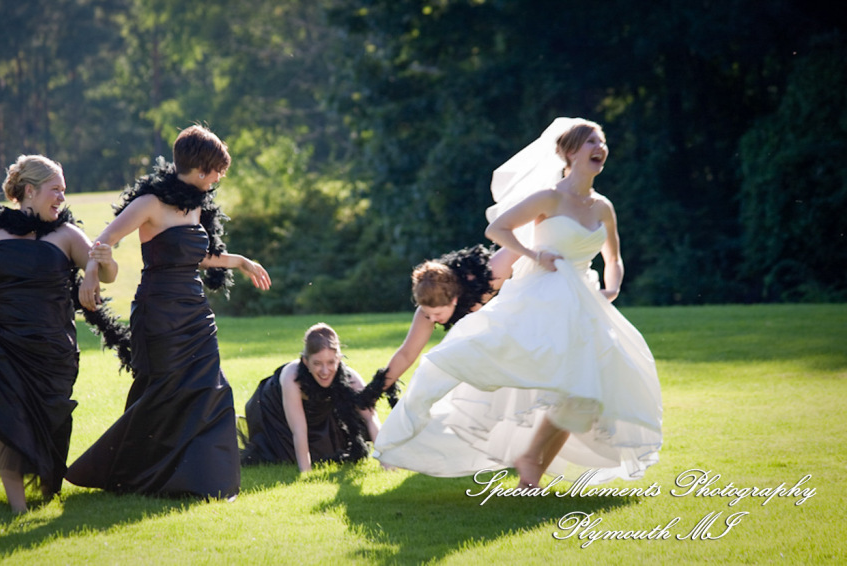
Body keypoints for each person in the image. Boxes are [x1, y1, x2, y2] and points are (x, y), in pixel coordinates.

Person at [373, 118, 662, 488]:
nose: (599, 147)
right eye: (591, 141)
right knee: (571, 385)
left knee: (586, 395)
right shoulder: (549, 197)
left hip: (586, 303)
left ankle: (531, 474)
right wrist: (532, 253)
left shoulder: (603, 207)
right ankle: (520, 458)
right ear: (571, 152)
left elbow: (614, 258)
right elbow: (497, 230)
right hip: (545, 297)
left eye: (602, 142)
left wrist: (613, 288)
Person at [65, 125, 271, 501]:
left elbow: (195, 256)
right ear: (200, 168)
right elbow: (103, 240)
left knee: (211, 391)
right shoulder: (151, 203)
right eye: (217, 172)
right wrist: (90, 275)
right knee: (163, 394)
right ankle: (127, 472)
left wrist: (239, 261)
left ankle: (206, 481)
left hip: (195, 311)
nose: (219, 179)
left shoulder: (195, 204)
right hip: (158, 310)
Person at [0, 155, 119, 513]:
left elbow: (106, 273)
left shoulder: (66, 234)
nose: (62, 197)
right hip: (1, 342)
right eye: (55, 189)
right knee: (9, 422)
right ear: (30, 191)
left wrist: (100, 263)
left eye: (64, 190)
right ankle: (18, 509)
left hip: (53, 349)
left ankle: (48, 491)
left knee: (51, 421)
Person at [373, 245, 517, 395]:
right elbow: (406, 354)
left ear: (454, 300)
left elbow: (520, 245)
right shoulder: (426, 313)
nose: (433, 319)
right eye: (429, 314)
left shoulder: (487, 277)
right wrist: (373, 393)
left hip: (517, 323)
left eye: (438, 313)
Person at [241, 323, 382, 472]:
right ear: (305, 362)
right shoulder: (291, 376)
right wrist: (306, 473)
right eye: (317, 363)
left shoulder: (350, 377)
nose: (325, 371)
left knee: (329, 451)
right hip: (276, 414)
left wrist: (387, 464)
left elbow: (370, 418)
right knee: (285, 457)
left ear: (339, 359)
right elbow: (299, 430)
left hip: (318, 414)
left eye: (331, 362)